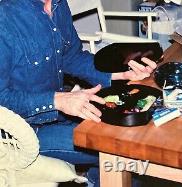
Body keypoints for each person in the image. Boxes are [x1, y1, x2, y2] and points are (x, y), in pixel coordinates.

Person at [0, 0, 157, 186]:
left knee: (135, 132)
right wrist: (57, 100)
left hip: (59, 113)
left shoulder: (58, 4)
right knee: (125, 150)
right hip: (19, 134)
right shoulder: (5, 18)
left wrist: (118, 73)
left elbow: (71, 56)